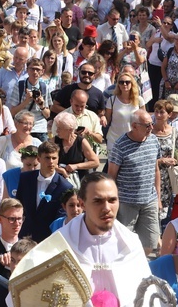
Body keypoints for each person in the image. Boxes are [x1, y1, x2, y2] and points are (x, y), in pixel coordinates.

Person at [11, 173, 152, 306]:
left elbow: (146, 298)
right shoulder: (58, 246)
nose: (107, 208)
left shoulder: (130, 245)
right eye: (98, 201)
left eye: (112, 200)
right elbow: (24, 294)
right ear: (82, 204)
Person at [108, 109, 161, 254]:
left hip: (149, 200)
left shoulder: (153, 140)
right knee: (124, 244)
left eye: (152, 124)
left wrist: (158, 197)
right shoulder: (120, 145)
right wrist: (112, 200)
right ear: (134, 126)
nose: (151, 128)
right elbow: (111, 175)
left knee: (150, 243)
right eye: (147, 125)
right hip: (126, 202)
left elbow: (156, 170)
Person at [16, 141, 73, 243]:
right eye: (47, 158)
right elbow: (19, 205)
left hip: (48, 239)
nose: (51, 162)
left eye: (54, 158)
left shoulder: (65, 186)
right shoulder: (25, 178)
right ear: (39, 159)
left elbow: (60, 217)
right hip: (24, 236)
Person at [152, 99, 178, 222]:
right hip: (151, 176)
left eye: (161, 112)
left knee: (165, 213)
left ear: (169, 114)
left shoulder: (174, 133)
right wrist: (161, 161)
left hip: (168, 178)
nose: (158, 115)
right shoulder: (149, 132)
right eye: (156, 112)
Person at [52, 111, 99, 184]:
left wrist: (76, 166)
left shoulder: (81, 142)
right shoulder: (54, 141)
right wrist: (60, 170)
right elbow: (45, 159)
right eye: (57, 127)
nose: (57, 131)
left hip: (78, 181)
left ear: (70, 130)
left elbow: (95, 162)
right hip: (58, 180)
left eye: (60, 128)